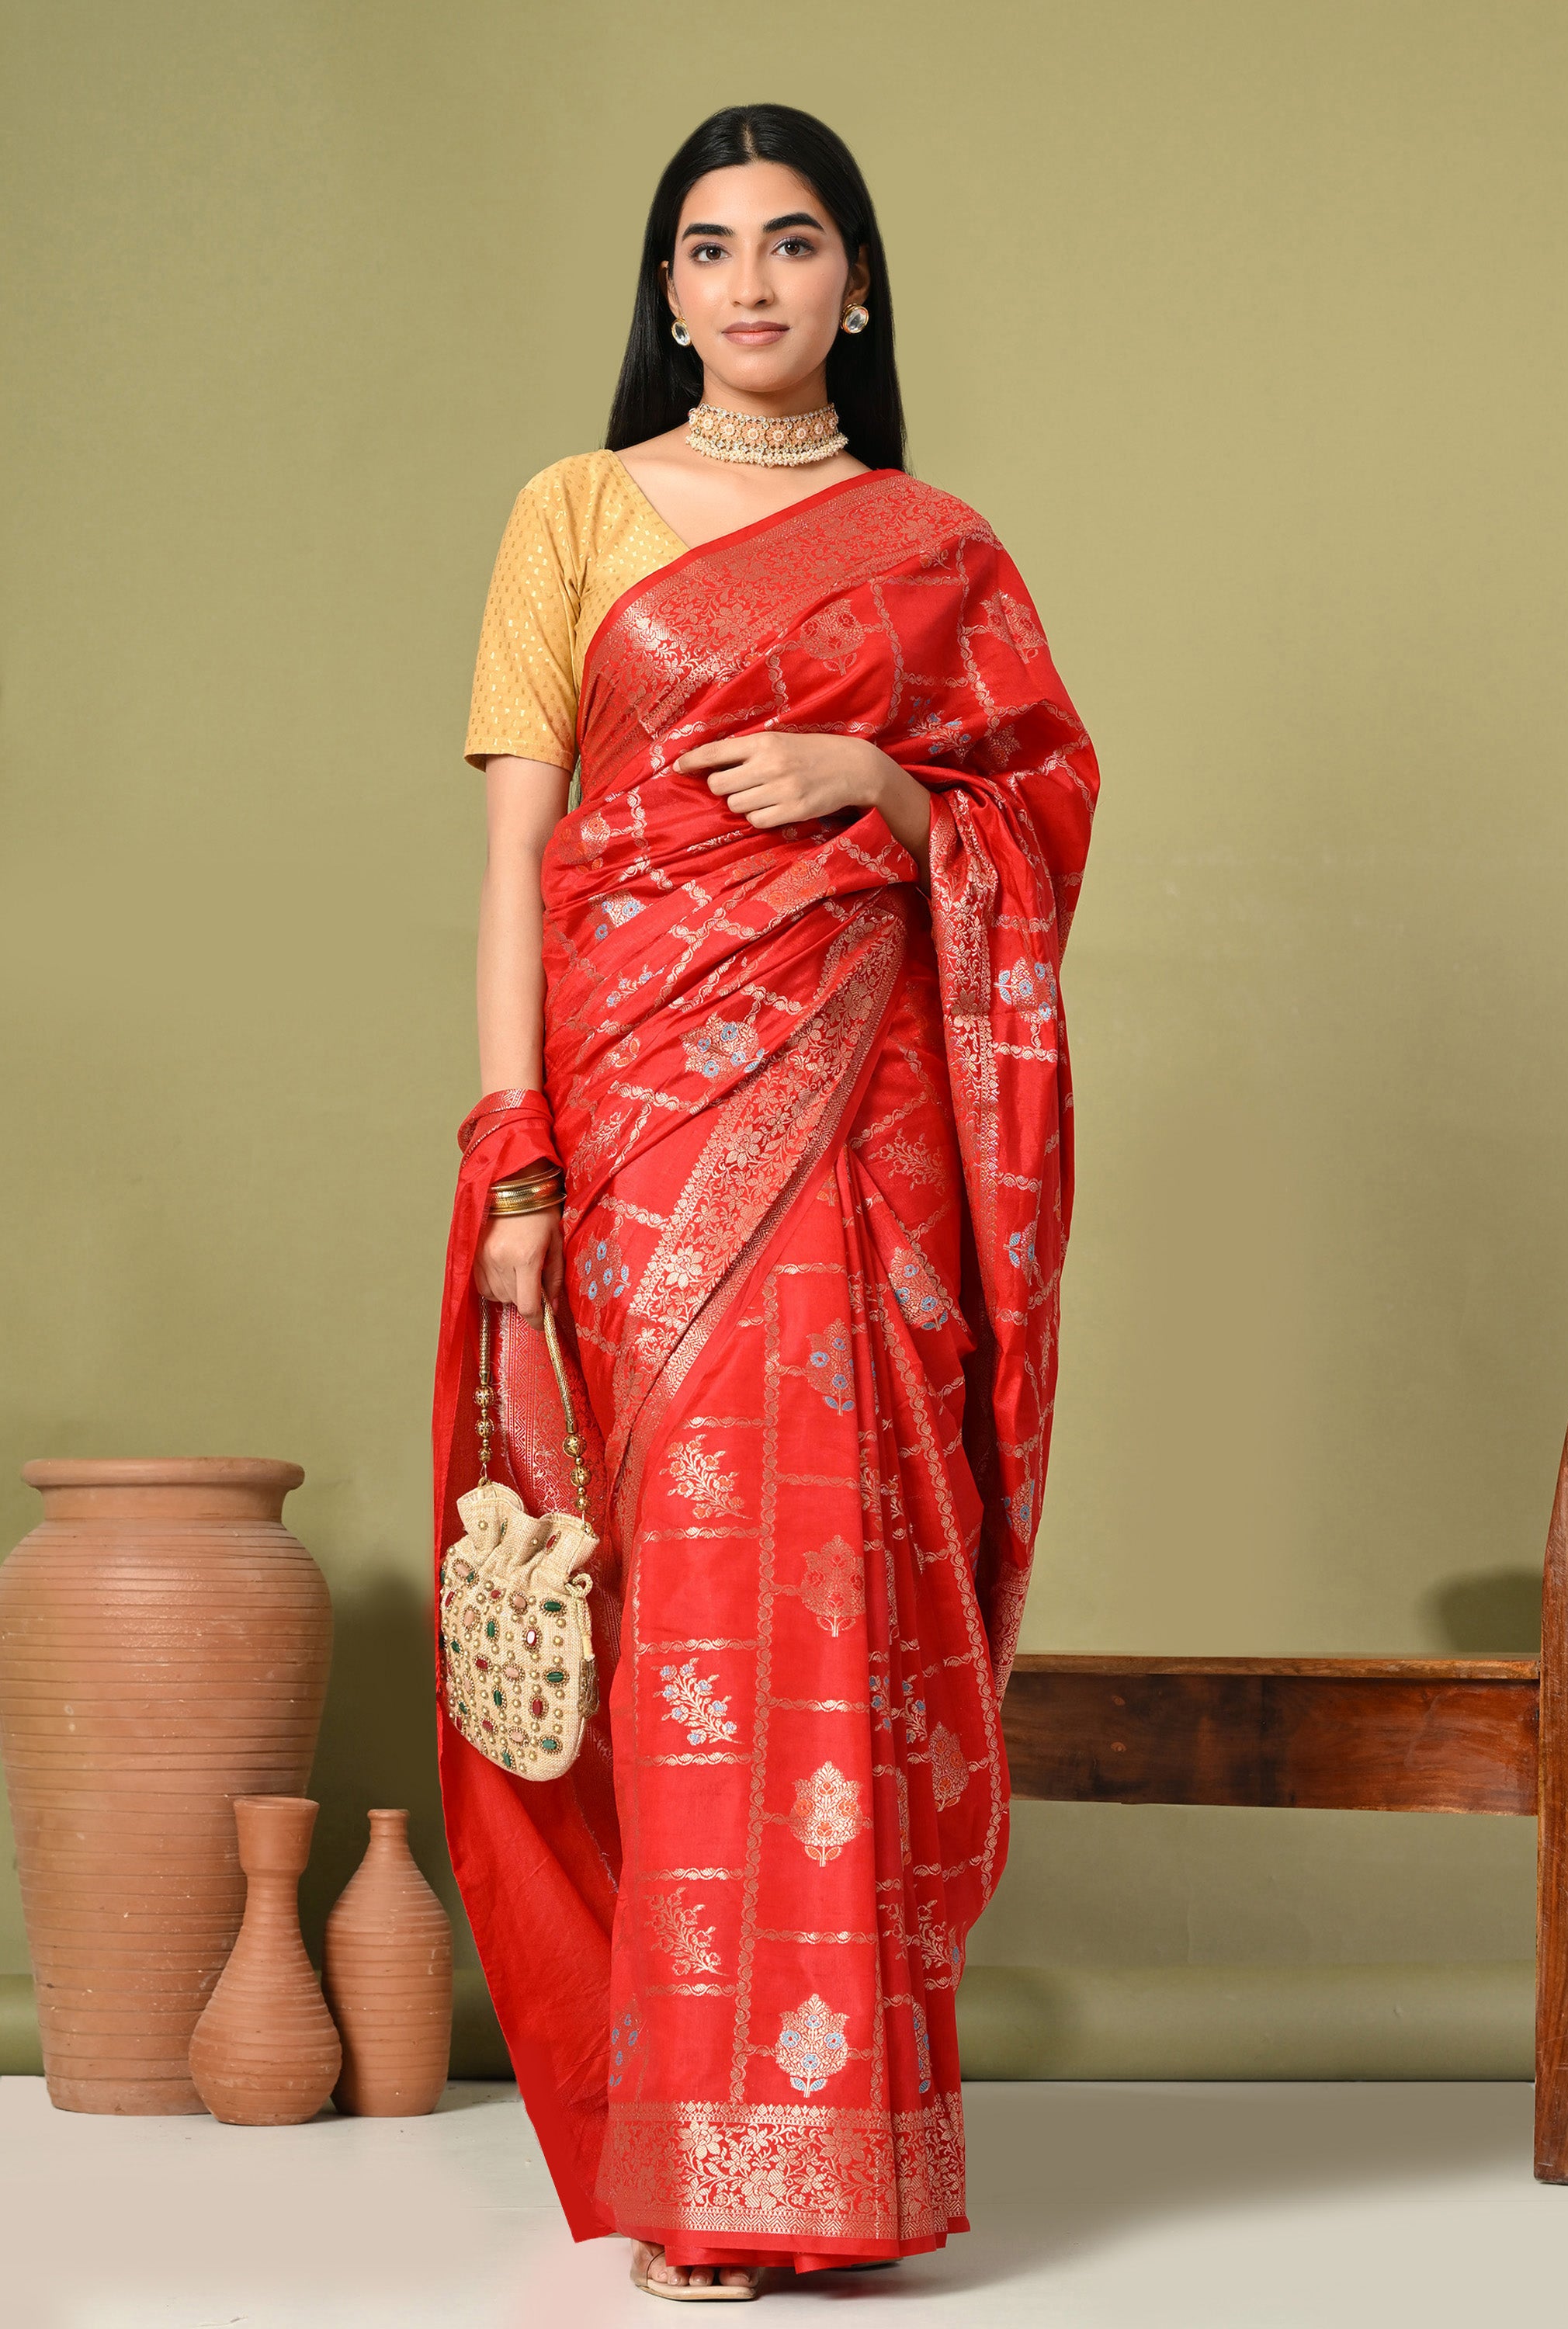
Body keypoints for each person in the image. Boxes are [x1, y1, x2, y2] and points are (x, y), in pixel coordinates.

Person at [432, 101, 1099, 2303]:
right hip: (635, 1129)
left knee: (839, 1598)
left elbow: (1033, 824)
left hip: (862, 1151)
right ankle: (705, 2178)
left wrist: (889, 785)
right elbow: (520, 859)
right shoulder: (574, 511)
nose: (746, 284)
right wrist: (511, 1148)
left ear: (856, 282)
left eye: (790, 243)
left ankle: (841, 2175)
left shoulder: (937, 548)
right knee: (687, 1625)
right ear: (664, 294)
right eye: (704, 248)